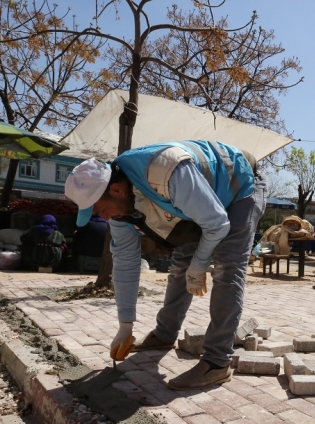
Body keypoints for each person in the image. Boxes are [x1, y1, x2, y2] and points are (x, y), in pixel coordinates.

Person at [64, 140, 265, 390]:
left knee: (227, 267)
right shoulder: (120, 209)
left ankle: (217, 363)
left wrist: (200, 265)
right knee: (181, 263)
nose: (103, 218)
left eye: (101, 210)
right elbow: (125, 263)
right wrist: (125, 324)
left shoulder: (166, 172)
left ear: (116, 190)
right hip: (202, 201)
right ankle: (165, 334)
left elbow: (218, 225)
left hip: (238, 187)